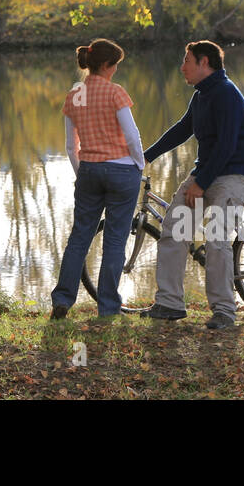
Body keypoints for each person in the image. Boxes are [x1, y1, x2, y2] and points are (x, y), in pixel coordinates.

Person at [142, 40, 244, 330]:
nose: (182, 67)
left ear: (204, 62)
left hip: (236, 175)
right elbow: (183, 129)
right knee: (174, 229)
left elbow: (227, 145)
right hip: (207, 172)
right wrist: (145, 157)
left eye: (187, 61)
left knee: (216, 236)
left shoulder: (226, 94)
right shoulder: (202, 95)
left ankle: (224, 311)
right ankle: (169, 303)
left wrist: (201, 183)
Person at [50, 38, 146, 319]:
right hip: (121, 171)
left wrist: (83, 173)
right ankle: (107, 308)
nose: (116, 70)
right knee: (115, 241)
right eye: (115, 65)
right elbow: (131, 135)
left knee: (79, 237)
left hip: (89, 170)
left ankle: (63, 300)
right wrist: (138, 165)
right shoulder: (115, 93)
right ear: (106, 65)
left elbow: (71, 145)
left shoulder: (74, 94)